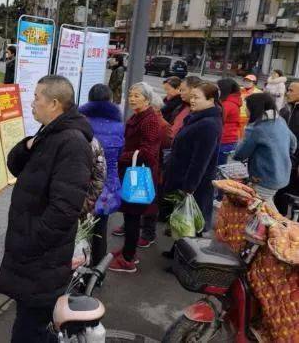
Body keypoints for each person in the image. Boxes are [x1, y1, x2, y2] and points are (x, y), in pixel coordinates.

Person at [0, 75, 93, 342]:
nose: (32, 103)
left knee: (29, 330)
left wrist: (31, 241)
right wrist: (28, 145)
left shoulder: (72, 143)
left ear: (54, 103)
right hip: (34, 257)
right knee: (29, 324)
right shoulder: (49, 133)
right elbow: (15, 165)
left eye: (36, 98)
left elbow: (65, 209)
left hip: (42, 258)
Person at [109, 83, 162, 273]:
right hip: (131, 171)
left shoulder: (150, 120)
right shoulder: (139, 116)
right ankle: (128, 250)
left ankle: (128, 259)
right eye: (131, 95)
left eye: (137, 95)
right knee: (130, 215)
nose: (132, 99)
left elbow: (148, 152)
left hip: (137, 174)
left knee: (133, 216)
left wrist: (120, 156)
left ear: (147, 99)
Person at [165, 82, 223, 242]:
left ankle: (184, 254)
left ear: (210, 100)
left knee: (190, 224)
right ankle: (177, 249)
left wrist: (189, 188)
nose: (192, 101)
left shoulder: (208, 124)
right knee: (182, 222)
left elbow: (200, 160)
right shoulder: (198, 117)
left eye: (197, 97)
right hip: (184, 179)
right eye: (192, 97)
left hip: (195, 185)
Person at [79, 84, 124, 265]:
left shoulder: (81, 122)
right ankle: (98, 270)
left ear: (90, 99)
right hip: (108, 183)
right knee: (100, 228)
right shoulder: (119, 126)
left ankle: (78, 267)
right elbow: (120, 154)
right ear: (110, 100)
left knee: (80, 227)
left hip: (83, 182)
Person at [234, 93, 297, 209]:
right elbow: (293, 144)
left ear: (254, 108)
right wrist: (280, 153)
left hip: (263, 177)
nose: (245, 110)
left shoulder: (256, 128)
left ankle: (281, 221)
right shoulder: (280, 120)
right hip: (282, 174)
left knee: (261, 209)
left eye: (247, 107)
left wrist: (240, 143)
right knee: (265, 206)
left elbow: (239, 155)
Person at [277, 82, 299, 214]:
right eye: (288, 90)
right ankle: (280, 220)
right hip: (281, 159)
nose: (287, 93)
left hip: (295, 162)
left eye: (291, 91)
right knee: (280, 195)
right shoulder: (285, 110)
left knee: (294, 198)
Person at [217, 78, 242, 165]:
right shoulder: (232, 101)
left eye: (218, 89)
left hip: (224, 139)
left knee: (217, 167)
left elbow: (217, 119)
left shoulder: (227, 104)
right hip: (229, 139)